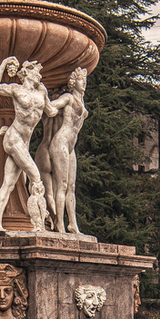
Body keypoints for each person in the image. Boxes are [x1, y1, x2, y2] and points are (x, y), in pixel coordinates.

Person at [0, 57, 50, 231]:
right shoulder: (16, 89)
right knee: (36, 178)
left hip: (24, 142)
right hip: (13, 138)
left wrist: (71, 99)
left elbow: (50, 111)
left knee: (8, 183)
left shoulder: (41, 91)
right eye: (36, 71)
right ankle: (38, 226)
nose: (39, 75)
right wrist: (4, 63)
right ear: (27, 73)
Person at [39, 65, 90, 237]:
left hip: (70, 146)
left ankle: (73, 224)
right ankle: (60, 223)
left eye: (85, 80)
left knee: (71, 186)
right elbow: (52, 108)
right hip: (60, 142)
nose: (84, 83)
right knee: (61, 185)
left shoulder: (81, 103)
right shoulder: (68, 98)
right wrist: (42, 93)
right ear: (73, 83)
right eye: (81, 81)